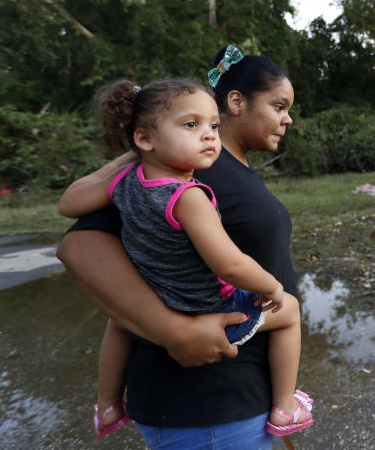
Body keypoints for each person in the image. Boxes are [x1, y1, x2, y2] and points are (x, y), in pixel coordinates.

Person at [56, 46, 308, 449]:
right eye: (279, 105)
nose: (288, 118)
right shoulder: (176, 175)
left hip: (241, 397)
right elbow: (79, 246)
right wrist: (176, 331)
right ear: (237, 102)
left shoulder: (212, 169)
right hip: (208, 408)